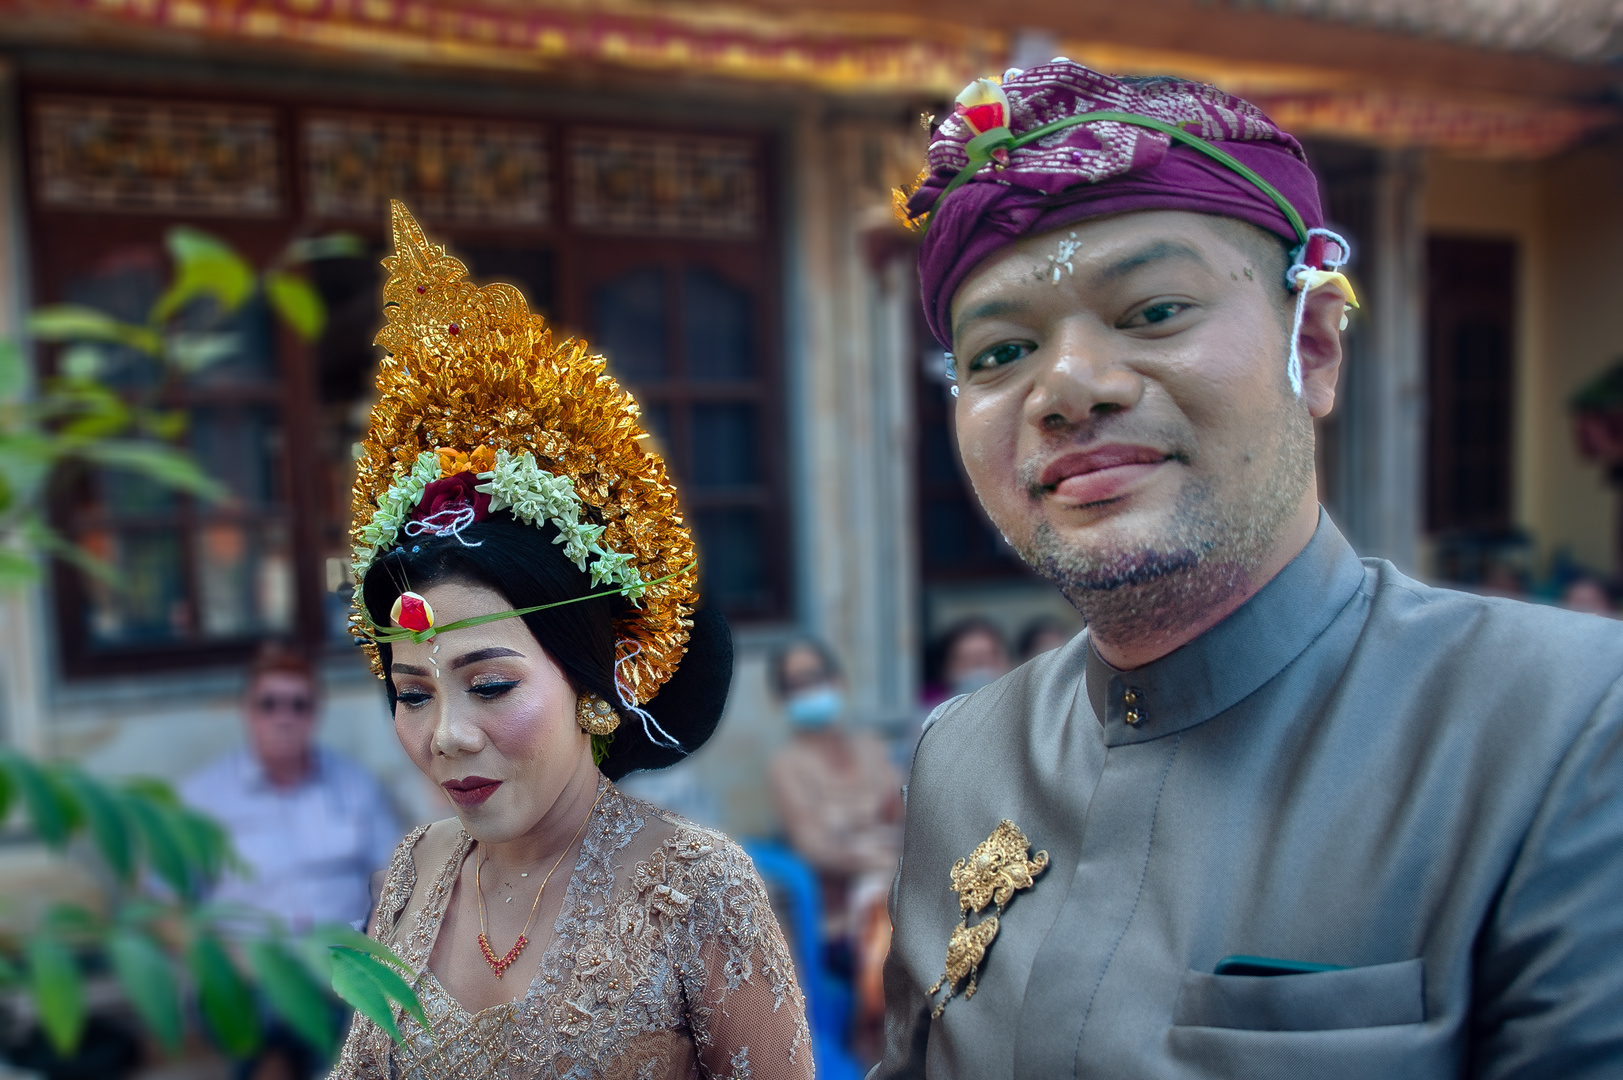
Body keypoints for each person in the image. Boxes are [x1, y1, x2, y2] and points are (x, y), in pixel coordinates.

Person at [874, 61, 1623, 1078]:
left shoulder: (1569, 727)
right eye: (1000, 354)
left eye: (1153, 312)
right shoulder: (960, 753)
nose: (1067, 390)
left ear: (1310, 347)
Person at [330, 202, 809, 1079]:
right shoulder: (412, 871)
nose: (446, 736)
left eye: (490, 684)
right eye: (411, 692)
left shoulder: (698, 890)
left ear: (595, 681)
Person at [181, 644, 401, 934]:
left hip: (345, 965)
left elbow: (392, 878)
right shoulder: (202, 798)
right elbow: (164, 903)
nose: (284, 719)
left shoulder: (355, 785)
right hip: (250, 973)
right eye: (269, 705)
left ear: (315, 713)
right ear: (247, 711)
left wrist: (372, 948)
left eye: (299, 706)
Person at [768, 640, 903, 1042]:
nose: (806, 691)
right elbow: (814, 847)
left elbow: (904, 813)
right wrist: (878, 851)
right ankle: (875, 1032)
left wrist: (867, 843)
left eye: (814, 679)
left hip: (900, 885)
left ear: (836, 681)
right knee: (880, 896)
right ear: (784, 701)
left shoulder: (870, 748)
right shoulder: (788, 766)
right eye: (794, 686)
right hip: (841, 913)